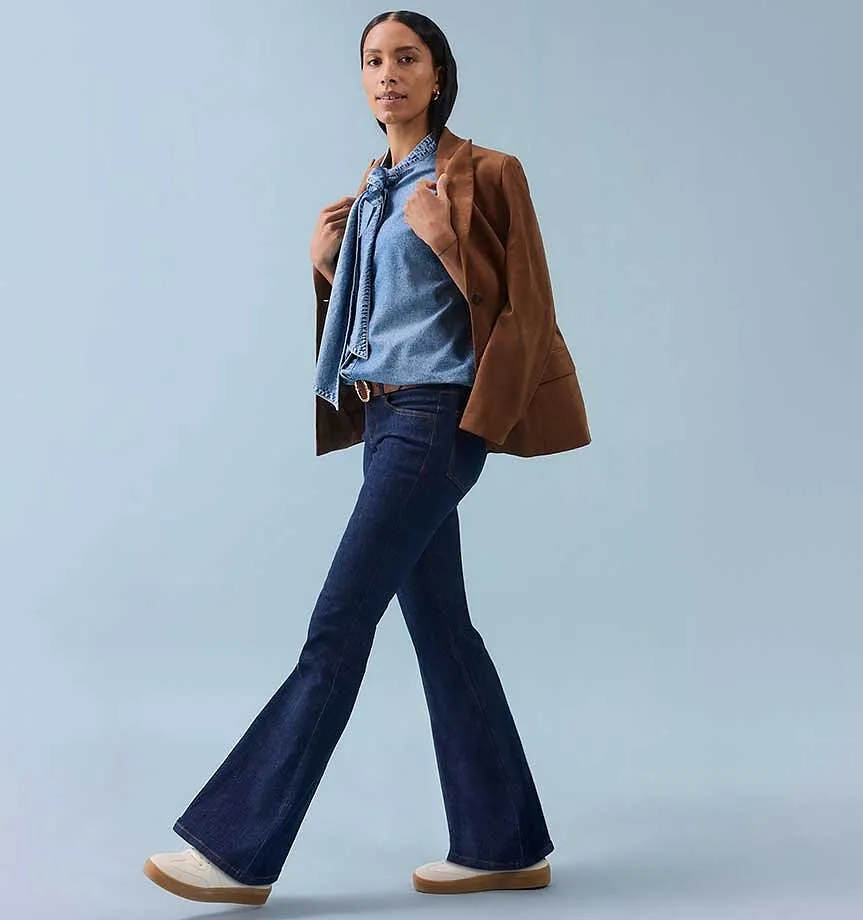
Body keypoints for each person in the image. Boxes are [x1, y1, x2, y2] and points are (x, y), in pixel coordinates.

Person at [142, 9, 589, 906]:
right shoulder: (373, 187)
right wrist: (325, 267)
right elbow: (385, 320)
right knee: (444, 633)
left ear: (438, 76)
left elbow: (526, 310)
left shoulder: (487, 173)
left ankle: (237, 852)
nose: (389, 74)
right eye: (374, 60)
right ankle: (503, 845)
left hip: (436, 419)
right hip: (385, 420)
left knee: (338, 627)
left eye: (407, 58)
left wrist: (446, 245)